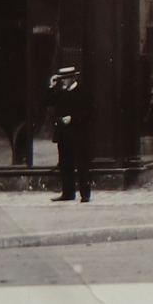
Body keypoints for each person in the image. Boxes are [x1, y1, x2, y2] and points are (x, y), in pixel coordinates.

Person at [47, 66, 93, 203]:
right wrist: (51, 86)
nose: (63, 82)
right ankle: (68, 193)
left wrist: (73, 118)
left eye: (65, 79)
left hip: (78, 134)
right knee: (65, 164)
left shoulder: (83, 92)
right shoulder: (61, 93)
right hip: (63, 135)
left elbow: (90, 113)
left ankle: (85, 194)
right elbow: (47, 102)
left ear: (72, 78)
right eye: (61, 79)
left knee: (81, 164)